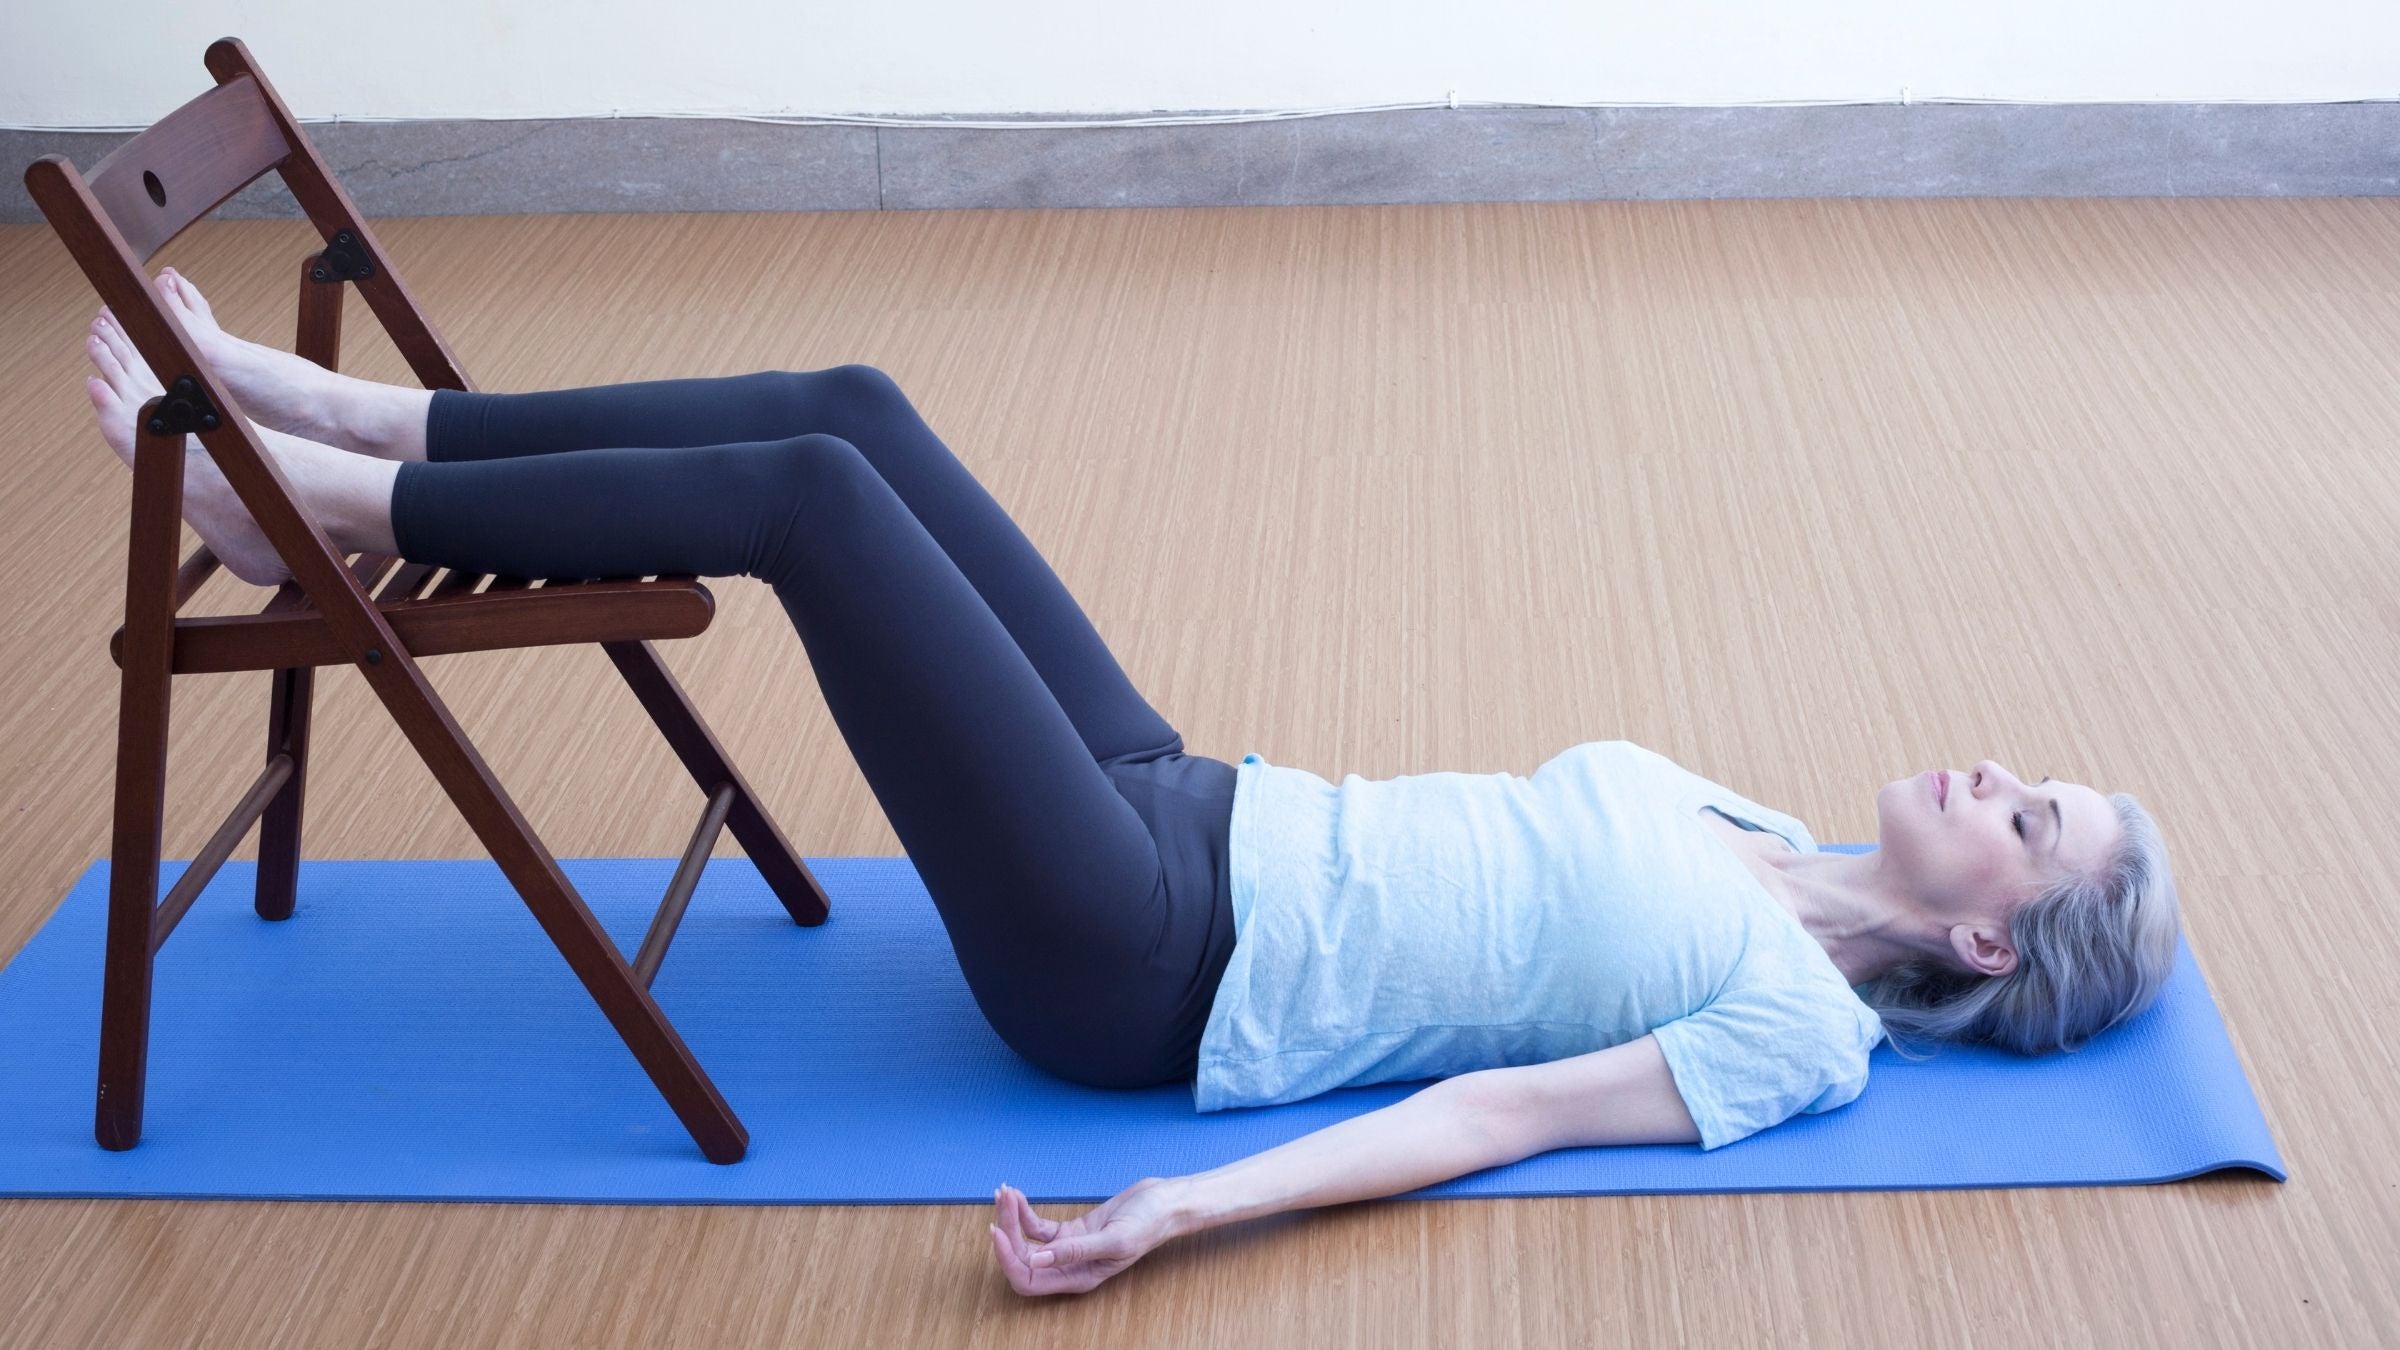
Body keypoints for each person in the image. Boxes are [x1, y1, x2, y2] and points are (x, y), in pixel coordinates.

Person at [79, 268, 2182, 1297]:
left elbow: (1491, 1116)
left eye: (2030, 814)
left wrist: (1183, 1212)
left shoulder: (1803, 1034)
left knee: (809, 499)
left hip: (1144, 960)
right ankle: (373, 418)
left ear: (1996, 931)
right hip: (1177, 795)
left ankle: (317, 507)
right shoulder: (1756, 825)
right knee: (858, 406)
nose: (1993, 773)